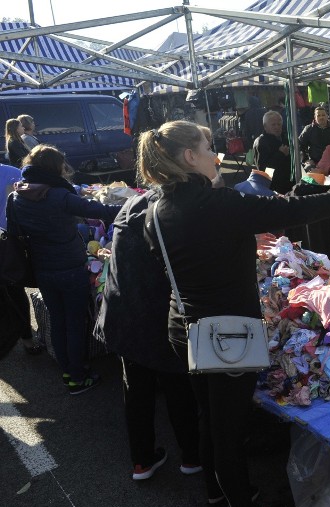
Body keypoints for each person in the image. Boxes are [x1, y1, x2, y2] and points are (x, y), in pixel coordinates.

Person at [137, 120, 330, 507]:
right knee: (227, 428)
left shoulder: (154, 208)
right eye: (210, 146)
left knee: (210, 419)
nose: (216, 154)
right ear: (190, 157)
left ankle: (216, 500)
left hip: (183, 326)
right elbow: (291, 211)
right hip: (227, 333)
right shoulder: (219, 204)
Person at [94, 186, 201, 481]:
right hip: (159, 319)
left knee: (137, 389)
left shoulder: (130, 206)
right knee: (179, 387)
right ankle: (192, 456)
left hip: (124, 315)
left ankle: (142, 461)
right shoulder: (171, 214)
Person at [6, 145, 121, 394]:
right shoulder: (59, 195)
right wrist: (139, 204)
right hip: (70, 267)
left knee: (58, 320)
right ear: (54, 168)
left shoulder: (16, 196)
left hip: (41, 268)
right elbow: (101, 212)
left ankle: (68, 371)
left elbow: (14, 234)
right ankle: (78, 377)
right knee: (76, 322)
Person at [0, 162, 41, 356]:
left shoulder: (11, 173)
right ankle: (27, 340)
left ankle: (17, 338)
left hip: (6, 242)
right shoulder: (11, 173)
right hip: (6, 242)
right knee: (14, 291)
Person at [253, 110, 292, 194]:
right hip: (273, 187)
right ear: (265, 126)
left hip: (289, 183)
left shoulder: (285, 138)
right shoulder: (261, 142)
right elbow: (264, 169)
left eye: (279, 124)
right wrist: (280, 154)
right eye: (273, 124)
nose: (277, 127)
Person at [298, 106, 330, 171]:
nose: (321, 117)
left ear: (327, 116)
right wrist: (305, 160)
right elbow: (300, 145)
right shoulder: (308, 129)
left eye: (323, 115)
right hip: (314, 162)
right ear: (315, 117)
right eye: (318, 115)